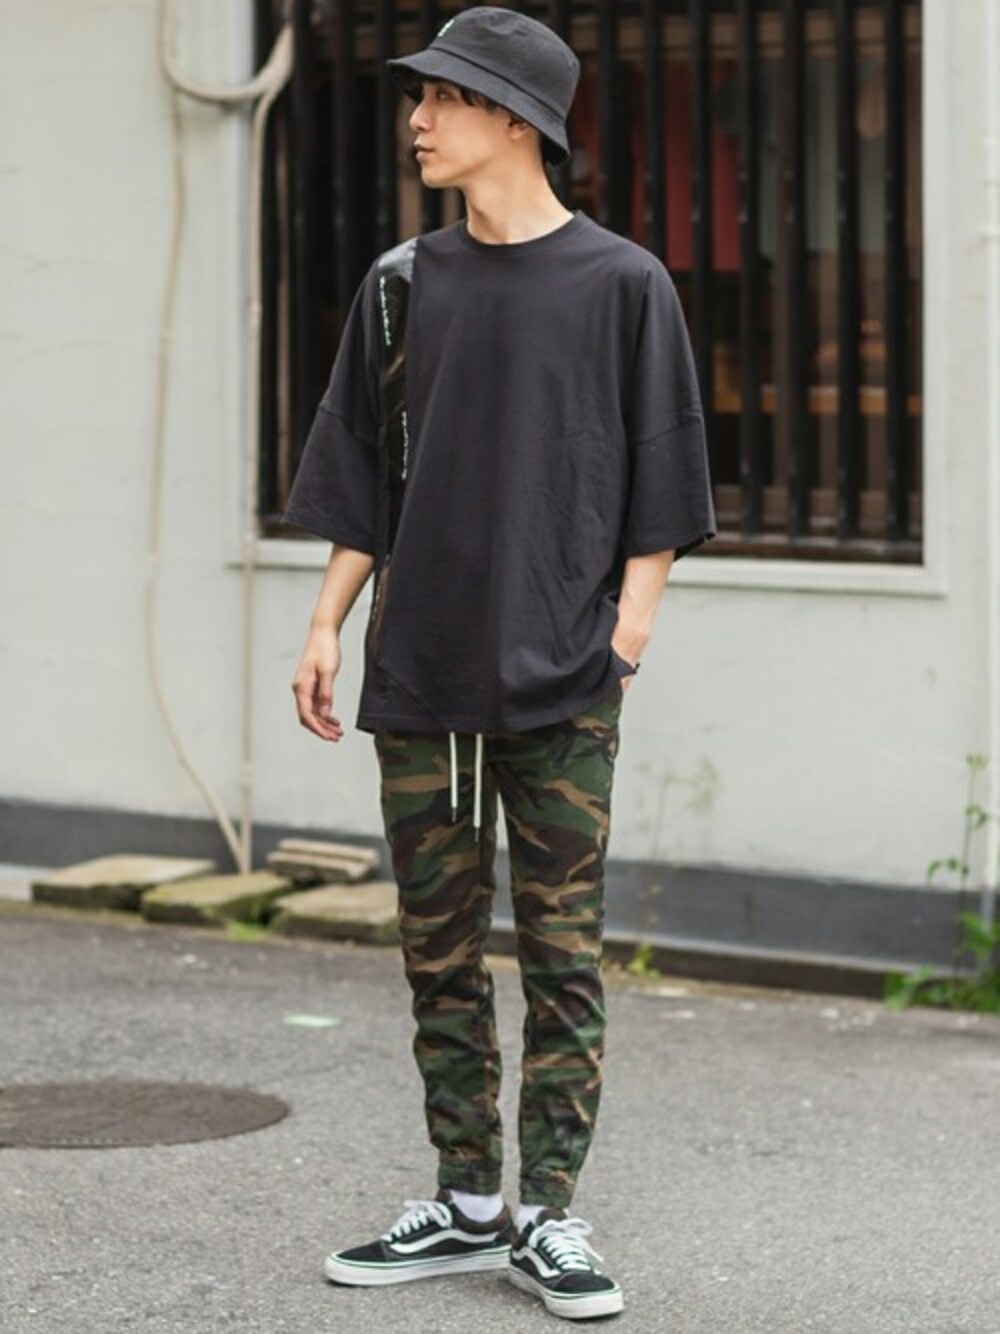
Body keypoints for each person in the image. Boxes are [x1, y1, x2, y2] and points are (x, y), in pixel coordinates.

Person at [283, 6, 716, 1321]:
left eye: (443, 98)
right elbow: (364, 473)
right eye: (418, 97)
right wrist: (327, 621)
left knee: (562, 953)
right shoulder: (400, 284)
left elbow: (664, 477)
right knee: (438, 945)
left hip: (566, 672)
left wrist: (626, 633)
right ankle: (469, 1201)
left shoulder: (623, 285)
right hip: (421, 665)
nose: (418, 119)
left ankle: (553, 1213)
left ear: (514, 120)